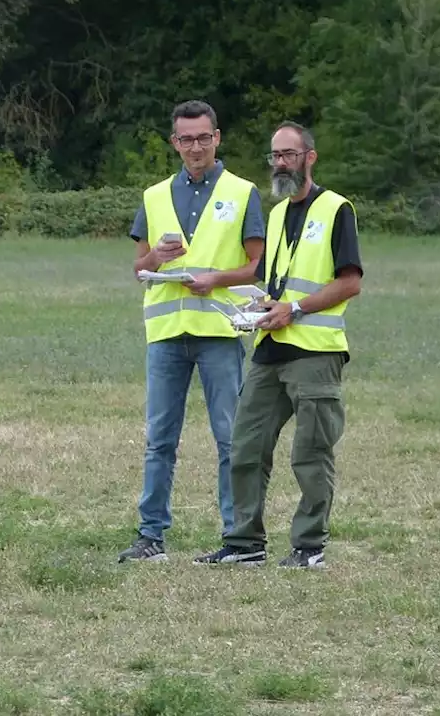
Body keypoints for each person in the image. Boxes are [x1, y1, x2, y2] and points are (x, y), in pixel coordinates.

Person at [195, 120, 363, 570]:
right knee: (245, 445)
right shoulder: (275, 214)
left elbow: (350, 282)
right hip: (271, 349)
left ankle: (309, 548)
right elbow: (276, 284)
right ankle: (245, 543)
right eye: (274, 155)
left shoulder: (335, 209)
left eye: (289, 154)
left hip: (315, 350)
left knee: (310, 452)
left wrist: (296, 309)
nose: (280, 163)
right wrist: (261, 308)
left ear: (310, 156)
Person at [117, 99, 266, 563]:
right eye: (186, 139)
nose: (195, 147)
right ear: (174, 142)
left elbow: (257, 265)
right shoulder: (155, 195)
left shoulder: (243, 193)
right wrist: (154, 260)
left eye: (204, 137)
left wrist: (215, 280)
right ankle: (151, 536)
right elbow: (138, 268)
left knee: (230, 438)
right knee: (159, 439)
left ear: (217, 138)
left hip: (219, 332)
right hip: (166, 334)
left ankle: (238, 538)